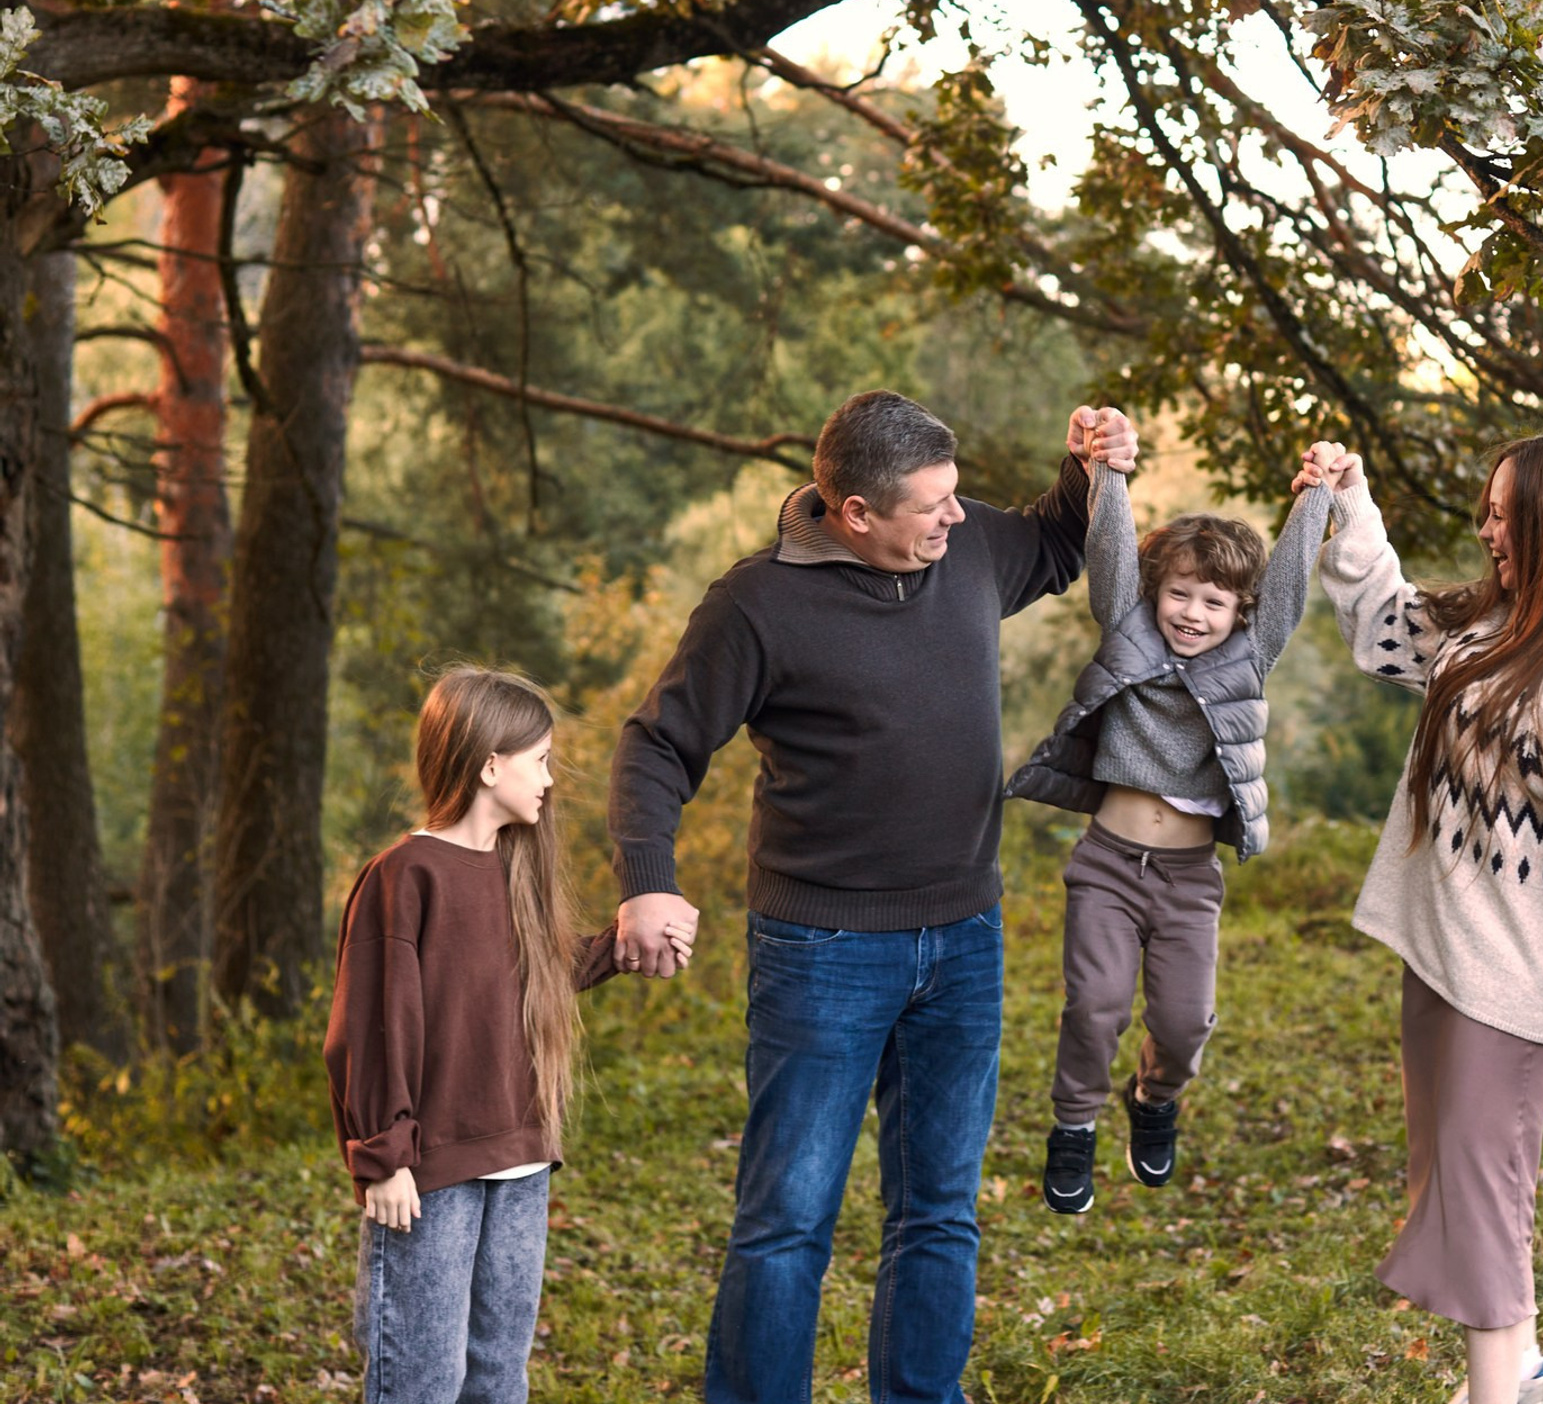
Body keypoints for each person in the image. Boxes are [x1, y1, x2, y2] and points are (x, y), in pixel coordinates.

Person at [607, 388, 1138, 1404]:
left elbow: (1058, 544)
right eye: (929, 506)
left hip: (965, 939)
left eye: (956, 498)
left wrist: (1091, 461)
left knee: (939, 1211)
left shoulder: (969, 545)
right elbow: (656, 746)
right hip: (821, 949)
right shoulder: (755, 605)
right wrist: (647, 884)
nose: (954, 518)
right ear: (854, 511)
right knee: (788, 1222)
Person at [1300, 435, 1543, 1404]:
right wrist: (1351, 498)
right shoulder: (1487, 628)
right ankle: (1530, 1370)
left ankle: (1496, 1393)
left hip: (1507, 988)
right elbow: (1383, 624)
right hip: (1443, 960)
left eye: (1506, 513)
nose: (1488, 528)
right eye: (1488, 510)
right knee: (1460, 1183)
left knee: (1478, 1195)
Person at [1003, 450, 1333, 1213]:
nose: (1192, 613)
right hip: (1109, 867)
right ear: (1155, 596)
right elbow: (1113, 550)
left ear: (1240, 614)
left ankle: (1153, 1099)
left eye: (1214, 602)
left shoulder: (1250, 659)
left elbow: (1286, 581)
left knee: (1185, 1024)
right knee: (1096, 1005)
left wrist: (1316, 491)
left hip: (1188, 882)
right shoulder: (1129, 633)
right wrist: (1105, 467)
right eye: (1180, 594)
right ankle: (1074, 1125)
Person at [324, 667, 651, 1404]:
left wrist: (624, 943)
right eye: (540, 760)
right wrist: (383, 1155)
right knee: (421, 1381)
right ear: (490, 763)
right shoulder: (405, 876)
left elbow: (525, 975)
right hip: (430, 1174)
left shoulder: (512, 871)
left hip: (520, 1162)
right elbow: (375, 1024)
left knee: (499, 1377)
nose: (549, 779)